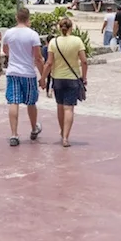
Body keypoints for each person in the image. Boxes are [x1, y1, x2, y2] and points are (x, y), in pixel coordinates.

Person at [41, 18, 88, 148]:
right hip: (73, 78)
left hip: (58, 79)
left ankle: (62, 132)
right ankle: (66, 138)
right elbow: (84, 61)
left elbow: (49, 63)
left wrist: (43, 78)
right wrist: (84, 77)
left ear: (59, 28)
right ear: (71, 27)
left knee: (60, 107)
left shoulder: (53, 42)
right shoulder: (77, 41)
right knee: (69, 108)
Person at [2, 8, 44, 147]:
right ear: (28, 18)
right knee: (31, 102)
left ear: (16, 17)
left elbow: (5, 50)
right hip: (27, 72)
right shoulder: (33, 35)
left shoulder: (8, 33)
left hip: (13, 71)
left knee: (13, 102)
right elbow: (38, 57)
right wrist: (43, 75)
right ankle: (33, 129)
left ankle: (14, 134)